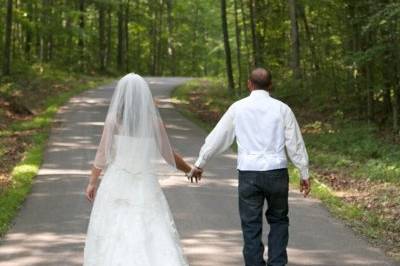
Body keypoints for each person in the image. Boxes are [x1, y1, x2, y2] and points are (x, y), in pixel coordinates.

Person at [190, 68, 310, 266]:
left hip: (249, 174)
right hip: (276, 172)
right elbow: (295, 144)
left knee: (251, 225)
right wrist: (304, 173)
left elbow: (218, 137)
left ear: (249, 84)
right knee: (279, 220)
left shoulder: (238, 108)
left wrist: (200, 163)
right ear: (270, 85)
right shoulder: (282, 109)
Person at [84, 73, 201, 266]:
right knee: (150, 229)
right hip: (145, 184)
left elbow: (102, 154)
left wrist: (92, 182)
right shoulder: (153, 122)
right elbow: (168, 155)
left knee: (114, 232)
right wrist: (189, 169)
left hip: (116, 183)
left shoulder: (114, 121)